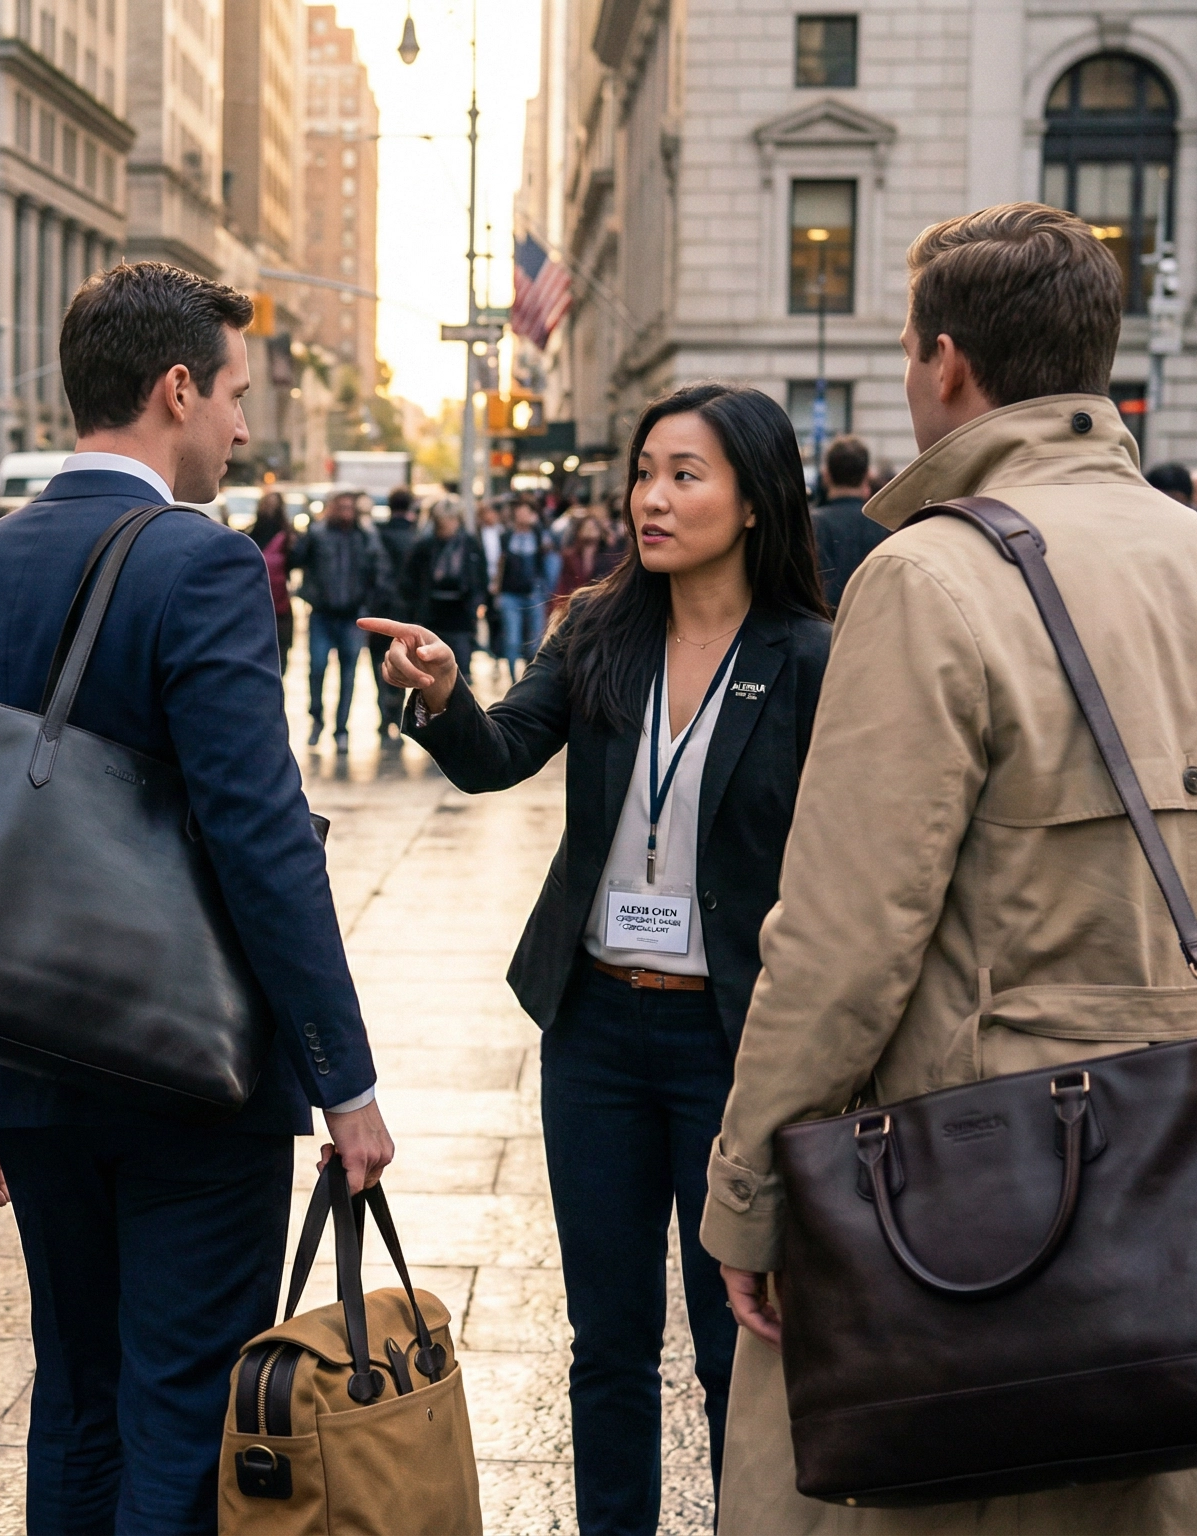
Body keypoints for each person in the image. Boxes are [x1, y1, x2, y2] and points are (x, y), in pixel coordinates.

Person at [700, 203, 1197, 1535]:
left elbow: (842, 942)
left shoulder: (934, 580)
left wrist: (749, 1198)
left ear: (946, 365)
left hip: (987, 1240)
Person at [0, 261, 391, 1533]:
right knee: (181, 1409)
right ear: (174, 388)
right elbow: (261, 835)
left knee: (73, 1399)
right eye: (234, 395)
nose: (243, 426)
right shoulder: (204, 567)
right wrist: (343, 1075)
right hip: (186, 1075)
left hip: (21, 1061)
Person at [370, 383, 832, 1536]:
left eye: (686, 474)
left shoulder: (813, 657)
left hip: (732, 1040)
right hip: (596, 1033)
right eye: (644, 472)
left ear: (756, 499)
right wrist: (439, 701)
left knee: (740, 1348)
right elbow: (499, 756)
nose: (651, 499)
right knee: (607, 1342)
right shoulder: (598, 627)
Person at [292, 489, 393, 749]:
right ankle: (316, 719)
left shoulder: (366, 536)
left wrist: (370, 603)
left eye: (351, 507)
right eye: (342, 507)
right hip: (323, 614)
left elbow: (380, 571)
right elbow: (296, 559)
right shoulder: (317, 533)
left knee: (348, 675)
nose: (347, 512)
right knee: (316, 669)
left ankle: (341, 729)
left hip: (353, 616)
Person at [408, 501, 491, 680]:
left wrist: (477, 602)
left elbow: (480, 575)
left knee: (460, 665)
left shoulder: (469, 544)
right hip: (432, 611)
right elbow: (411, 579)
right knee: (431, 667)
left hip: (461, 611)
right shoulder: (425, 545)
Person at [367, 486, 424, 742]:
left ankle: (384, 715)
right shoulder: (416, 537)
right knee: (402, 663)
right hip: (408, 613)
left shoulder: (377, 534)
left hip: (379, 610)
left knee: (379, 662)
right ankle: (397, 713)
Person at [807, 434, 885, 608]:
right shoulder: (883, 523)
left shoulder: (812, 524)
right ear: (867, 476)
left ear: (826, 475)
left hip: (826, 626)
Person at [493, 502, 560, 682]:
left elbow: (550, 557)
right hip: (510, 593)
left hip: (533, 593)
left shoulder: (539, 535)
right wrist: (497, 590)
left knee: (535, 640)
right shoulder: (506, 536)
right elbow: (500, 564)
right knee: (512, 640)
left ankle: (530, 677)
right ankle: (514, 678)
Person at [245, 490, 297, 674]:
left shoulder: (250, 535)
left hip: (258, 605)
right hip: (278, 605)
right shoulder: (287, 537)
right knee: (279, 661)